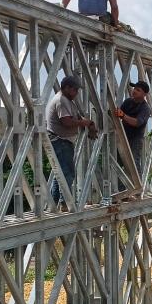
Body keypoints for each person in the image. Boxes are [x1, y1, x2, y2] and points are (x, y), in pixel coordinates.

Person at [47, 76, 96, 209]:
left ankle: (53, 204)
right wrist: (84, 123)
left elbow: (77, 117)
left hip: (62, 141)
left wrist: (89, 123)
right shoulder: (62, 101)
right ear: (67, 88)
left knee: (60, 173)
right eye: (75, 90)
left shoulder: (68, 101)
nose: (77, 93)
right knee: (67, 172)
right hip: (60, 140)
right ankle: (65, 203)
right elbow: (67, 122)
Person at [115, 81, 151, 180]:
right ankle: (121, 189)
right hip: (123, 136)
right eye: (135, 89)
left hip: (135, 139)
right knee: (118, 161)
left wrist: (122, 115)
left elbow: (137, 123)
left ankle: (138, 189)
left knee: (134, 162)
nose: (134, 91)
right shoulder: (127, 102)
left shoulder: (145, 108)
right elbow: (118, 115)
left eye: (138, 90)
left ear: (144, 95)